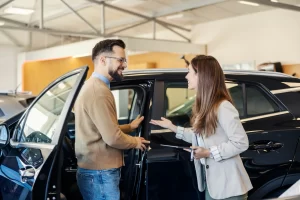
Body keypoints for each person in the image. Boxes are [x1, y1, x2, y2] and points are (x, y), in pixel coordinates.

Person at [150, 55, 252, 200]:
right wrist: (172, 127)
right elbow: (200, 136)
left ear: (201, 76)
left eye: (189, 72)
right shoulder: (205, 106)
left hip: (229, 189)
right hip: (213, 185)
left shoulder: (223, 107)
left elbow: (240, 142)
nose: (186, 76)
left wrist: (208, 152)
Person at [74, 39, 150, 200]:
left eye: (124, 60)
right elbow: (112, 137)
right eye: (120, 60)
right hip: (100, 174)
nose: (124, 65)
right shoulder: (99, 92)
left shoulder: (92, 87)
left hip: (95, 172)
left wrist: (129, 127)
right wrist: (136, 142)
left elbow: (100, 131)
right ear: (103, 60)